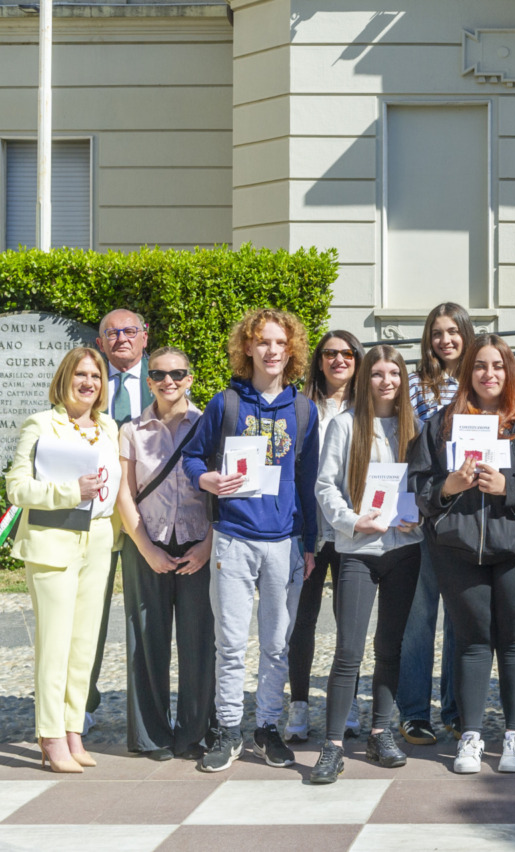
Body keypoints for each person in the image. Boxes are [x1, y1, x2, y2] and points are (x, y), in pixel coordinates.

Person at [408, 335, 515, 775]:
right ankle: (471, 734)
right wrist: (448, 487)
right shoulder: (443, 423)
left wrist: (509, 487)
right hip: (459, 546)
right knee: (473, 642)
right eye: (480, 365)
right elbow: (419, 482)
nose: (489, 374)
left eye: (497, 365)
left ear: (510, 371)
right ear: (468, 372)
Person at [181, 308, 320, 773]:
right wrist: (207, 481)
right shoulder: (226, 404)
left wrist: (310, 543)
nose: (272, 351)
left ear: (292, 349)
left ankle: (267, 727)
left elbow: (307, 480)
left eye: (281, 343)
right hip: (234, 538)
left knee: (277, 642)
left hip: (285, 540)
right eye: (263, 342)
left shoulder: (303, 409)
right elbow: (193, 459)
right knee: (231, 640)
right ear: (247, 347)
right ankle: (227, 728)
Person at [310, 346, 423, 783]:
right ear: (365, 378)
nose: (387, 381)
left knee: (389, 646)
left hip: (403, 548)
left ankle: (380, 732)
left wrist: (420, 516)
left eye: (395, 372)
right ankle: (333, 744)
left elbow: (426, 485)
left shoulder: (416, 429)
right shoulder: (344, 425)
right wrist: (352, 521)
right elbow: (326, 485)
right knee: (349, 650)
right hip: (357, 549)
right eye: (378, 373)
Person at [6, 347, 120, 772]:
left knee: (84, 645)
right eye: (80, 374)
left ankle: (74, 731)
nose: (88, 382)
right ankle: (50, 735)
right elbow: (16, 489)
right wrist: (70, 492)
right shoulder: (41, 424)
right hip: (52, 540)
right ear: (64, 378)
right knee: (54, 645)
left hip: (99, 540)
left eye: (95, 375)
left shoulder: (108, 427)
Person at [116, 346, 215, 762]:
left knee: (199, 643)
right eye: (159, 374)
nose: (168, 381)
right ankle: (152, 735)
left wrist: (208, 545)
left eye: (177, 374)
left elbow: (225, 487)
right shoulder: (132, 429)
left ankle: (194, 733)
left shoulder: (209, 423)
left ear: (190, 378)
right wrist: (145, 547)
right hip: (147, 541)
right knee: (146, 640)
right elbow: (124, 492)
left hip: (198, 543)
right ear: (150, 379)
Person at [398, 302, 475, 746]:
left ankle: (455, 710)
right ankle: (413, 712)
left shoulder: (480, 380)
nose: (445, 340)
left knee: (461, 617)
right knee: (420, 616)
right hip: (424, 508)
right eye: (437, 333)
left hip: (467, 514)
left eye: (452, 332)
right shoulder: (415, 385)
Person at [286, 330, 364, 744]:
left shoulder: (368, 406)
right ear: (318, 360)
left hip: (353, 526)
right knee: (303, 619)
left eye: (347, 353)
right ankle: (298, 702)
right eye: (330, 353)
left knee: (349, 622)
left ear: (357, 360)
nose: (338, 360)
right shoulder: (301, 406)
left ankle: (346, 702)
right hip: (311, 527)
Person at [84, 308, 153, 733]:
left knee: (150, 616)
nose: (121, 338)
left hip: (152, 518)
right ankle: (82, 703)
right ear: (100, 343)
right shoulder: (88, 381)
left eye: (130, 331)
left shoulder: (164, 376)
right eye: (112, 333)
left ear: (145, 337)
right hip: (99, 518)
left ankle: (151, 708)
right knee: (90, 613)